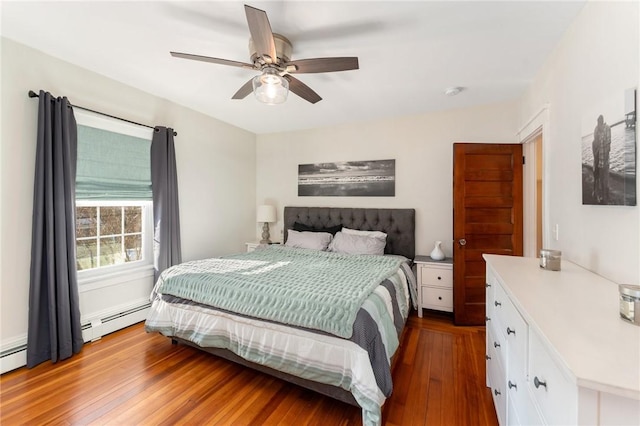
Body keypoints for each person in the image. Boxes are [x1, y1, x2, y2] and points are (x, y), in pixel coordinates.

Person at [592, 115, 611, 204]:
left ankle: (605, 197)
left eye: (598, 124)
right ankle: (599, 195)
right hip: (598, 162)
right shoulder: (597, 132)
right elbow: (595, 151)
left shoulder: (607, 128)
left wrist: (606, 161)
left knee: (605, 181)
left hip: (604, 161)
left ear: (601, 122)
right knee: (598, 180)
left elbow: (608, 146)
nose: (597, 128)